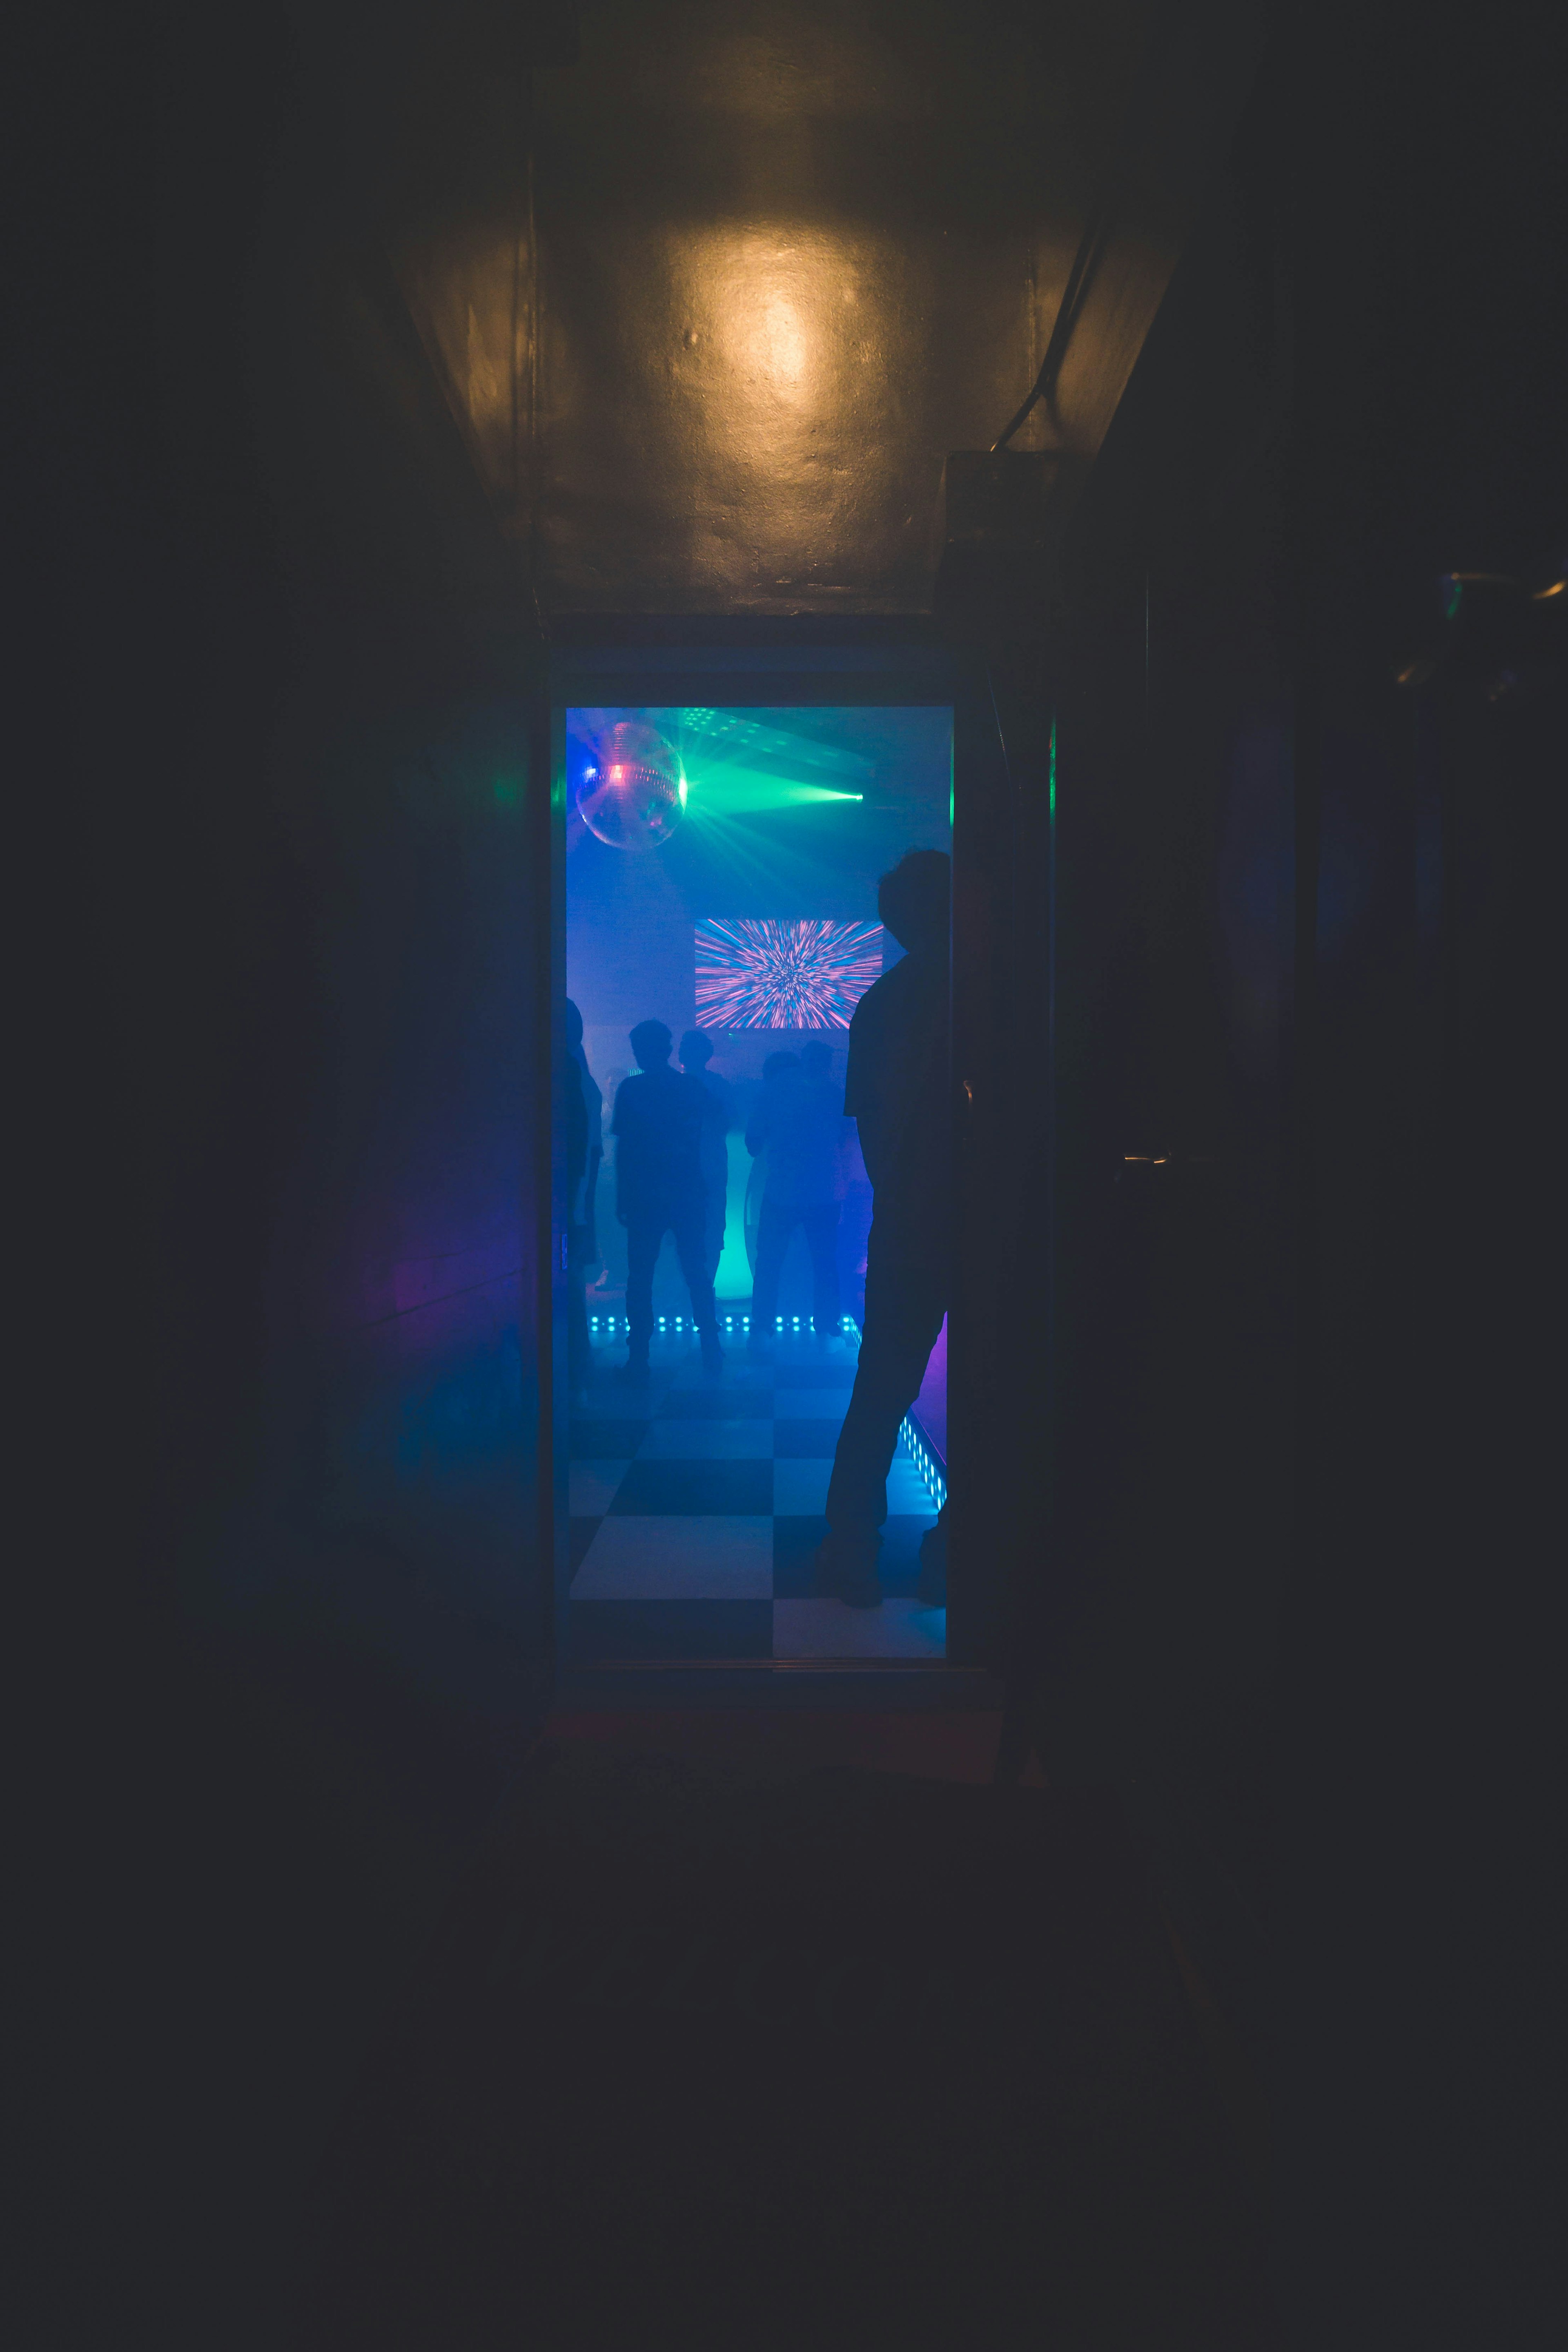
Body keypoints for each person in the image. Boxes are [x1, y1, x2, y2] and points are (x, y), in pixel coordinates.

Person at [817, 850, 952, 1608]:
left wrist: (900, 1201)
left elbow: (869, 1129)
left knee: (880, 1389)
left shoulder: (882, 1003)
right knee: (998, 1386)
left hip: (908, 1222)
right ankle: (955, 1554)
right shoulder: (999, 993)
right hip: (988, 1224)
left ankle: (850, 1550)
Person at [612, 1018, 723, 1381]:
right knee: (696, 1271)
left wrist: (623, 1196)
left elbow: (625, 1150)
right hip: (687, 1191)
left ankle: (639, 1356)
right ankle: (711, 1348)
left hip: (646, 1195)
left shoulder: (631, 1089)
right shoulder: (690, 1087)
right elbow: (709, 1132)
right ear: (670, 1050)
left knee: (640, 1276)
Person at [745, 1038, 853, 1352]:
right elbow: (847, 1138)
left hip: (782, 1191)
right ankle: (828, 1328)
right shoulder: (835, 1094)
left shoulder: (773, 1090)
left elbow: (753, 1143)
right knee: (825, 1263)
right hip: (825, 1192)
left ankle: (762, 1329)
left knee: (769, 1263)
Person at [564, 1000, 603, 1400]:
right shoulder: (582, 1075)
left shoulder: (569, 1073)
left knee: (568, 1280)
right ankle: (578, 1360)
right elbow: (590, 1150)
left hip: (568, 1201)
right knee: (570, 1280)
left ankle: (574, 1363)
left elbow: (579, 1151)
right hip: (575, 1199)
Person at [679, 1029, 735, 1285]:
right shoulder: (720, 1086)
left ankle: (688, 1294)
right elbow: (729, 1123)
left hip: (683, 1171)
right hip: (711, 1168)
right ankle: (703, 1291)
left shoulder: (674, 1086)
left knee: (684, 1232)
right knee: (712, 1232)